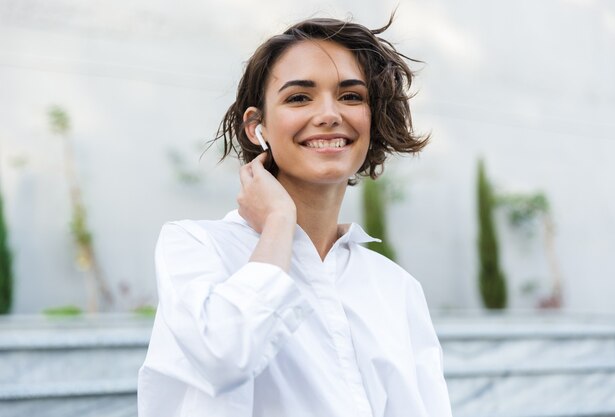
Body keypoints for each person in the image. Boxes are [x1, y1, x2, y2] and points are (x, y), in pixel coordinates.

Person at [138, 15, 452, 417]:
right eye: (299, 97)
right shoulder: (197, 248)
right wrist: (279, 222)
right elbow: (224, 356)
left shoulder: (396, 287)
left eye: (351, 97)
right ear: (257, 127)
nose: (328, 114)